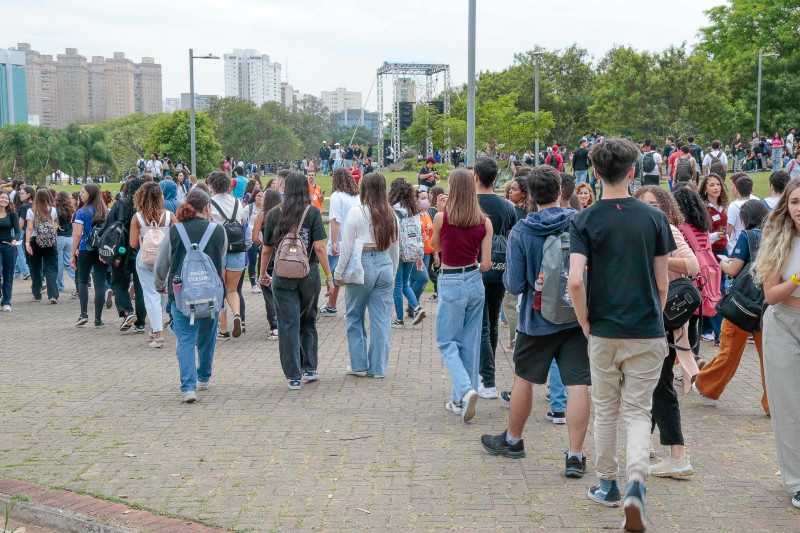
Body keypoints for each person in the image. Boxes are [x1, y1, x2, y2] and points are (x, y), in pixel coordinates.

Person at [568, 138, 674, 528]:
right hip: (645, 326)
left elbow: (575, 280)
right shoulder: (655, 218)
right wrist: (654, 316)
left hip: (603, 328)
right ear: (633, 172)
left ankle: (608, 484)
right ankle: (635, 482)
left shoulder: (585, 219)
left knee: (607, 408)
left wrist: (583, 320)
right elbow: (663, 282)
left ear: (594, 174)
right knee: (638, 410)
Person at [481, 165, 592, 479]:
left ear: (529, 195)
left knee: (524, 380)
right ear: (560, 191)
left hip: (536, 319)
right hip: (575, 319)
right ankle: (575, 455)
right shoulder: (579, 222)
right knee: (578, 385)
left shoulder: (523, 230)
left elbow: (514, 285)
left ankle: (513, 440)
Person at [634, 185, 698, 479]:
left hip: (660, 319)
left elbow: (692, 265)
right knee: (648, 384)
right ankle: (643, 445)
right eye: (644, 204)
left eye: (656, 205)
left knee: (660, 386)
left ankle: (678, 455)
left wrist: (656, 258)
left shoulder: (667, 230)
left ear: (666, 208)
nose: (650, 209)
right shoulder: (642, 230)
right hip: (646, 316)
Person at [693, 200, 771, 414]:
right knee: (769, 360)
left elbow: (734, 270)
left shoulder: (748, 236)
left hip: (743, 304)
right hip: (767, 304)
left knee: (728, 352)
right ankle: (772, 403)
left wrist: (722, 263)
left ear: (746, 218)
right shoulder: (773, 236)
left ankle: (705, 386)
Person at [259, 173, 334, 390]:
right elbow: (319, 247)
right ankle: (310, 367)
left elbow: (266, 249)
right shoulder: (312, 212)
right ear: (305, 188)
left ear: (285, 188)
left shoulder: (273, 214)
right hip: (308, 271)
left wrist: (264, 273)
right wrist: (328, 277)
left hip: (282, 273)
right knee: (308, 318)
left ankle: (293, 376)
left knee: (287, 323)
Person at [752, 179, 800, 509]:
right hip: (784, 321)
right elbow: (770, 295)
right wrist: (797, 279)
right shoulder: (777, 237)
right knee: (788, 407)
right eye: (795, 202)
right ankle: (797, 482)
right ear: (787, 205)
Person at [154, 189, 227, 403]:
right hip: (212, 294)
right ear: (207, 207)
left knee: (186, 339)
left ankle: (188, 387)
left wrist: (160, 284)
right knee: (207, 336)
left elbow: (162, 262)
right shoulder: (217, 230)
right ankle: (204, 376)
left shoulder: (175, 230)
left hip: (181, 293)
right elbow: (220, 257)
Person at [432, 168, 492, 422]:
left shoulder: (441, 218)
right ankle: (460, 398)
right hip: (474, 280)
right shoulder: (485, 222)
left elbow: (435, 246)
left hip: (451, 279)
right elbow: (486, 263)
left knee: (447, 341)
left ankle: (465, 389)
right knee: (470, 341)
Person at [334, 172, 399, 378]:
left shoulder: (356, 212)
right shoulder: (392, 215)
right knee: (381, 320)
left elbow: (348, 247)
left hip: (361, 263)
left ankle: (359, 364)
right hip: (384, 263)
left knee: (354, 314)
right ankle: (378, 368)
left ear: (363, 189)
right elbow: (395, 248)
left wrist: (338, 272)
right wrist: (393, 272)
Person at [475, 157, 517, 399]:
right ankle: (485, 372)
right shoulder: (506, 206)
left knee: (480, 324)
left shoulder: (471, 205)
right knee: (491, 322)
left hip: (477, 266)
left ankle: (486, 376)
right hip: (500, 268)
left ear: (477, 178)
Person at [131, 181, 175, 348]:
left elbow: (133, 243)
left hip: (146, 261)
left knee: (151, 296)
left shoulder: (138, 218)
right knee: (162, 295)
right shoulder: (170, 216)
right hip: (166, 261)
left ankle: (158, 334)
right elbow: (178, 237)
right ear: (160, 197)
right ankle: (155, 328)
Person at [105, 177, 147, 333]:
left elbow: (109, 228)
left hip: (121, 251)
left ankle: (127, 312)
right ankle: (141, 322)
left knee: (118, 283)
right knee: (141, 287)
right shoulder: (145, 207)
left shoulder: (120, 205)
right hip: (142, 251)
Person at [207, 171, 245, 339]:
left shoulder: (209, 204)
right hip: (238, 249)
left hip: (218, 250)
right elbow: (242, 224)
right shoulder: (238, 202)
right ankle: (237, 314)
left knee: (219, 291)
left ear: (211, 186)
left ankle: (223, 329)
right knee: (232, 290)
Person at [320, 168, 360, 317]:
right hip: (354, 242)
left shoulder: (337, 196)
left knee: (333, 274)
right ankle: (353, 306)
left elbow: (336, 220)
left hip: (340, 241)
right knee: (352, 274)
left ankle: (331, 305)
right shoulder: (357, 196)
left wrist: (334, 242)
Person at [71, 183, 109, 327]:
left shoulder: (81, 212)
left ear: (90, 194)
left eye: (83, 192)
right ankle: (98, 319)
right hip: (101, 251)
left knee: (82, 281)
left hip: (85, 249)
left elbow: (77, 234)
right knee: (99, 283)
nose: (81, 194)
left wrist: (72, 254)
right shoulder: (106, 212)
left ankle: (83, 314)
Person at [389, 178, 425, 327]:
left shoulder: (392, 209)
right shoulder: (413, 210)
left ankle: (399, 318)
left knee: (397, 285)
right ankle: (416, 307)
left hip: (397, 250)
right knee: (405, 282)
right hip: (411, 250)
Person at [698, 174, 729, 345]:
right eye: (712, 185)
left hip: (723, 250)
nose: (716, 188)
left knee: (719, 287)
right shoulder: (704, 209)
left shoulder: (723, 206)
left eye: (718, 184)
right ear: (705, 188)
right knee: (714, 289)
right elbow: (701, 236)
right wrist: (714, 236)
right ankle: (712, 330)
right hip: (709, 252)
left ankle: (707, 329)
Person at [252, 189, 282, 340]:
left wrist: (264, 244)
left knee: (268, 291)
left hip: (267, 257)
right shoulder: (283, 213)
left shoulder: (263, 215)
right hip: (282, 256)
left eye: (264, 197)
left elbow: (254, 237)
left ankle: (274, 326)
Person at [25, 188, 59, 304]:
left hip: (35, 241)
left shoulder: (31, 211)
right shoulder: (53, 210)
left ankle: (37, 294)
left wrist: (27, 243)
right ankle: (53, 294)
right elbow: (55, 224)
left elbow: (29, 228)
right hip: (50, 241)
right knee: (51, 268)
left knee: (35, 268)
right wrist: (52, 234)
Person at [409, 190, 434, 303]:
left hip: (427, 252)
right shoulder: (413, 215)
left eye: (426, 198)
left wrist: (436, 253)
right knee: (423, 279)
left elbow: (431, 234)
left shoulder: (427, 214)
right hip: (417, 254)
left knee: (415, 280)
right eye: (422, 198)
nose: (425, 201)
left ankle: (413, 305)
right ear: (416, 200)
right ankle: (413, 303)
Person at [726, 174, 760, 254]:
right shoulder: (758, 201)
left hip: (739, 245)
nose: (730, 188)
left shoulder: (734, 206)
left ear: (737, 189)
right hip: (756, 242)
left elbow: (729, 229)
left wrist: (727, 247)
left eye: (732, 185)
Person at [0, 191, 19, 311]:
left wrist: (15, 240)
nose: (4, 200)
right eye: (1, 197)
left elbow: (17, 231)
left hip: (8, 246)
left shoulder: (12, 214)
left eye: (6, 198)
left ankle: (6, 301)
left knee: (8, 274)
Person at [54, 191, 76, 297]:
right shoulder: (72, 210)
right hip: (70, 237)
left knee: (58, 262)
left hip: (59, 237)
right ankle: (78, 282)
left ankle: (60, 285)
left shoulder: (57, 210)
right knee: (69, 262)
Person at [243, 189, 264, 293]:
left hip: (262, 238)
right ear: (254, 196)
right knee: (252, 261)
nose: (260, 198)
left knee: (262, 260)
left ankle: (261, 281)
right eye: (258, 196)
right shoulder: (249, 207)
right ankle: (253, 284)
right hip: (251, 238)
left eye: (262, 196)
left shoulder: (265, 208)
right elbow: (244, 221)